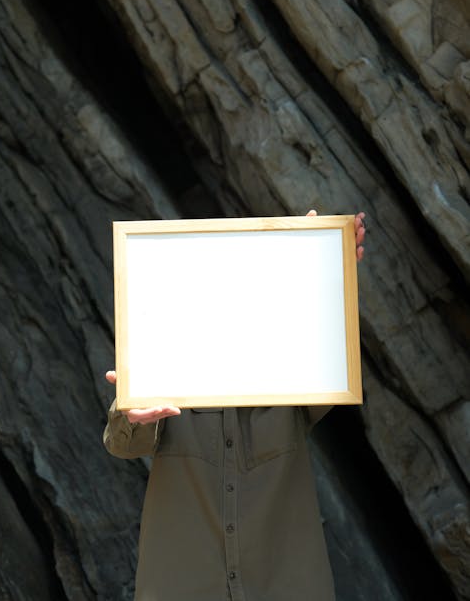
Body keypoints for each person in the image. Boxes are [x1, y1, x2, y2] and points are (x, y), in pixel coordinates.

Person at [104, 211, 366, 601]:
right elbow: (123, 444)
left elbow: (325, 348)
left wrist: (324, 263)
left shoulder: (293, 370)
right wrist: (132, 416)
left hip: (287, 585)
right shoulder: (164, 366)